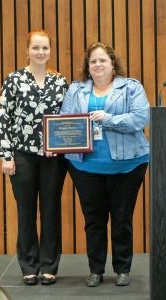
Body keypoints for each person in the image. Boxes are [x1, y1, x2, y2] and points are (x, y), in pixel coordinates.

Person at [60, 42, 149, 287]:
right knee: (93, 221)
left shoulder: (131, 87)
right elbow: (65, 122)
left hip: (128, 167)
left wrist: (107, 119)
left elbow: (141, 118)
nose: (98, 65)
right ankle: (96, 270)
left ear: (112, 64)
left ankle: (122, 269)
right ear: (87, 68)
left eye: (103, 60)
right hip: (84, 167)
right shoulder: (76, 90)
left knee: (122, 218)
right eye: (93, 62)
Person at [0, 30, 68, 286]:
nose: (41, 52)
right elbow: (4, 118)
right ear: (27, 51)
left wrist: (59, 145)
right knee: (26, 211)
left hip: (53, 158)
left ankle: (49, 266)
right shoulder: (14, 79)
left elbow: (67, 119)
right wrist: (6, 155)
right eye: (36, 48)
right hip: (22, 156)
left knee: (51, 210)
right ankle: (29, 265)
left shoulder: (59, 81)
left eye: (45, 48)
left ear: (50, 51)